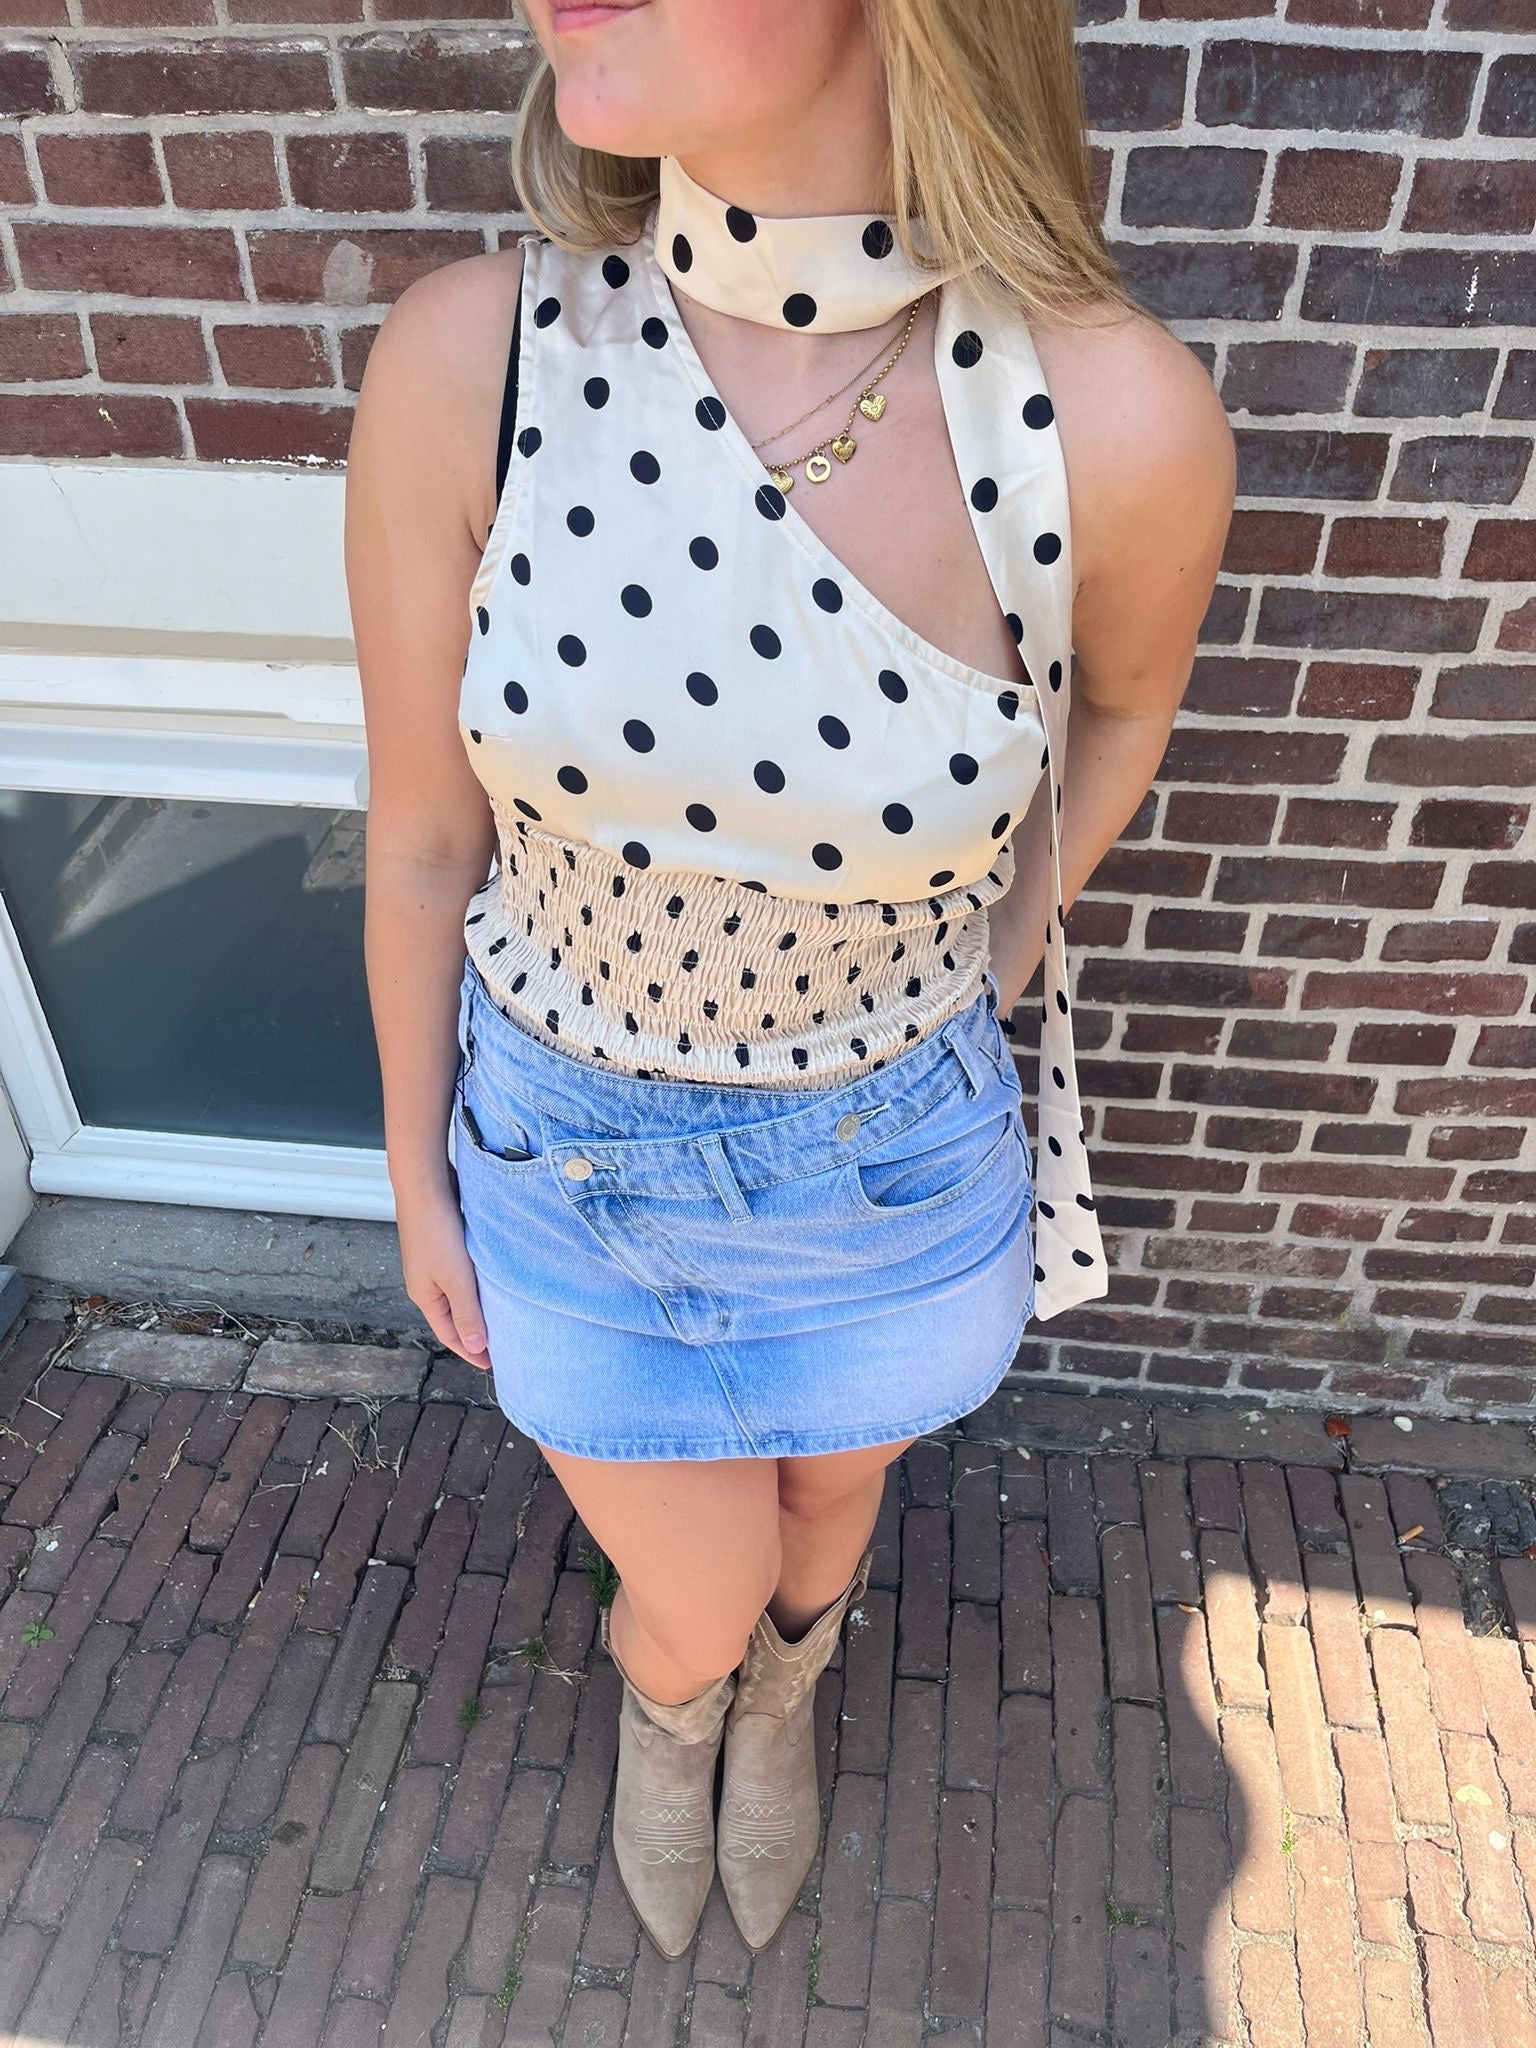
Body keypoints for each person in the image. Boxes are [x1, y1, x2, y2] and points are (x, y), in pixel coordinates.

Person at [344, 0, 1235, 1964]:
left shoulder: (1108, 420)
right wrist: (412, 1170)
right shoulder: (477, 363)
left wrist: (989, 961)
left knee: (830, 1514)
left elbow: (1123, 713)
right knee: (688, 1578)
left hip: (894, 1162)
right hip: (568, 1159)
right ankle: (679, 1700)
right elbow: (417, 834)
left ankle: (789, 1688)